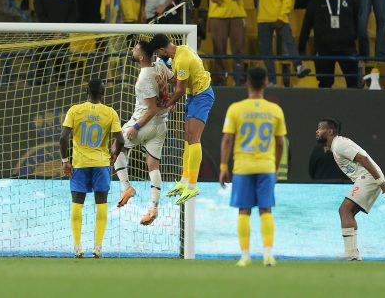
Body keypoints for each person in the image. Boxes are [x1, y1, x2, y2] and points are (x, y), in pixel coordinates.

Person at [219, 67, 286, 267]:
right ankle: (268, 255)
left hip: (242, 167)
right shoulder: (275, 110)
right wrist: (274, 166)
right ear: (266, 83)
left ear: (247, 83)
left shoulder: (236, 109)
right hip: (266, 167)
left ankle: (245, 256)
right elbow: (281, 143)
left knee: (244, 211)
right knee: (266, 209)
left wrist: (223, 166)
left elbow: (227, 140)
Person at [60, 79, 123, 258]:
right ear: (104, 93)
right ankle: (98, 247)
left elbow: (63, 138)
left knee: (77, 204)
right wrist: (114, 154)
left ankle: (78, 247)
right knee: (101, 204)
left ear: (86, 91)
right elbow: (121, 140)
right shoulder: (110, 113)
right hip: (101, 164)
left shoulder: (75, 110)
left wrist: (65, 160)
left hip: (80, 164)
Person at [315, 118, 385, 261]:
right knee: (348, 212)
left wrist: (380, 182)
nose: (317, 131)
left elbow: (363, 159)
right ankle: (353, 253)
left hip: (369, 178)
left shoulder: (339, 144)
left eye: (320, 128)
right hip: (367, 178)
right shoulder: (336, 145)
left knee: (344, 210)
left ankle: (350, 252)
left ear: (330, 131)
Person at [114, 38, 173, 225]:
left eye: (135, 48)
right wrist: (170, 100)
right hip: (161, 125)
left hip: (144, 122)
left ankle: (126, 187)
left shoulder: (143, 78)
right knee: (153, 166)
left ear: (141, 56)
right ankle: (154, 207)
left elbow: (152, 108)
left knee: (117, 147)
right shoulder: (160, 67)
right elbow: (175, 79)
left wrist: (136, 127)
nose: (132, 50)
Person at [154, 34, 214, 206]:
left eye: (157, 53)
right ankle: (184, 180)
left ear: (162, 49)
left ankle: (193, 186)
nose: (158, 56)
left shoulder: (181, 59)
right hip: (193, 96)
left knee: (194, 140)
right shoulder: (181, 51)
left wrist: (167, 104)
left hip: (202, 96)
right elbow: (181, 84)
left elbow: (179, 90)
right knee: (188, 139)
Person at [253, 0, 310, 83]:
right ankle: (272, 80)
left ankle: (299, 67)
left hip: (280, 18)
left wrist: (280, 17)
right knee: (266, 51)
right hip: (263, 20)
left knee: (289, 42)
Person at [298, 0, 360, 89]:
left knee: (354, 83)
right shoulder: (315, 1)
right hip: (323, 49)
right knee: (325, 84)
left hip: (347, 48)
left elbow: (356, 20)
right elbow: (306, 25)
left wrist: (353, 36)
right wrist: (301, 48)